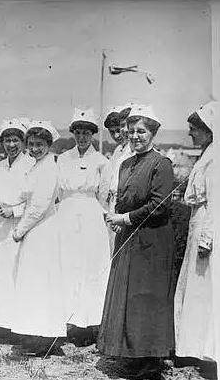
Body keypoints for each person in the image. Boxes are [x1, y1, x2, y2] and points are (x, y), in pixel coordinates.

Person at [99, 105, 176, 379]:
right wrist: (117, 215)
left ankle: (151, 359)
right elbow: (122, 198)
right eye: (130, 131)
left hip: (152, 241)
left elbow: (160, 207)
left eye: (141, 131)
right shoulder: (126, 164)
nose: (135, 136)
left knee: (146, 297)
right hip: (129, 238)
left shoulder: (161, 164)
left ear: (153, 132)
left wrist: (125, 218)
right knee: (129, 296)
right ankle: (131, 353)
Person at [10, 120, 67, 355]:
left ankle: (46, 338)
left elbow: (39, 206)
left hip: (42, 229)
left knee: (41, 282)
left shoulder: (48, 167)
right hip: (36, 229)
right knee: (34, 282)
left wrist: (19, 230)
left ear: (49, 145)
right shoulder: (36, 166)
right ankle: (35, 334)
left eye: (40, 144)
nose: (34, 149)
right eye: (31, 144)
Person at [56, 107, 110, 342]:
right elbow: (58, 191)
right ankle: (68, 319)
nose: (82, 137)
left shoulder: (101, 161)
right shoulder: (63, 158)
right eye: (78, 132)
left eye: (86, 132)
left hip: (90, 215)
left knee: (89, 266)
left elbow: (104, 194)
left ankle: (89, 323)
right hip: (66, 213)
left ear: (93, 134)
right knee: (67, 264)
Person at [0, 118, 35, 331]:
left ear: (23, 142)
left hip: (22, 226)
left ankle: (17, 324)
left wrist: (15, 210)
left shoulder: (31, 166)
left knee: (18, 272)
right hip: (1, 228)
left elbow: (37, 201)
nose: (11, 145)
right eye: (7, 141)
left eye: (15, 140)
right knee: (0, 272)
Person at [174, 102, 215, 362]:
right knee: (194, 286)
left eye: (194, 130)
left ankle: (204, 350)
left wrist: (207, 239)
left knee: (202, 288)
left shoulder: (216, 158)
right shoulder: (207, 153)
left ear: (209, 130)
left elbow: (217, 202)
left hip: (206, 225)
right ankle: (191, 347)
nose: (190, 134)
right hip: (196, 219)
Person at [102, 104, 134, 254]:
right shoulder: (117, 151)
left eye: (119, 130)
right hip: (112, 207)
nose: (116, 135)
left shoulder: (133, 151)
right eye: (112, 132)